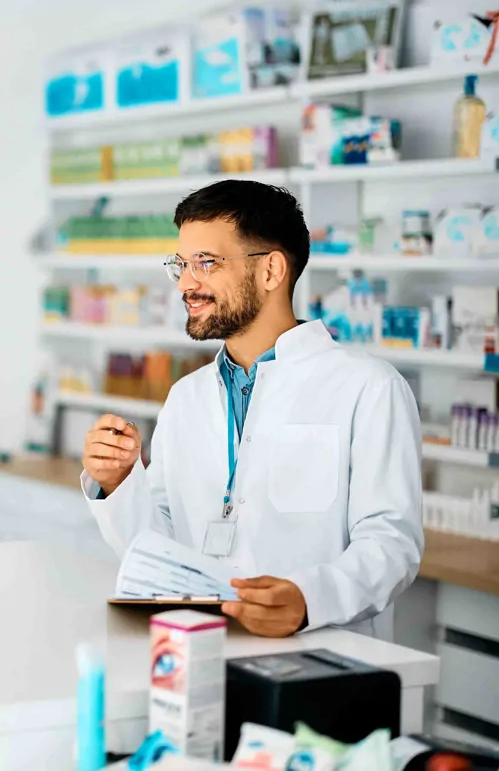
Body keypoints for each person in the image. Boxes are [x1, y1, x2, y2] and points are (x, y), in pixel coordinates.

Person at [81, 180, 422, 639]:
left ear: (271, 270)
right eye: (181, 264)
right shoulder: (186, 397)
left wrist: (308, 599)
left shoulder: (368, 388)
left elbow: (391, 544)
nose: (186, 282)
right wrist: (119, 484)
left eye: (206, 263)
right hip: (199, 645)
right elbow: (157, 548)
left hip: (319, 655)